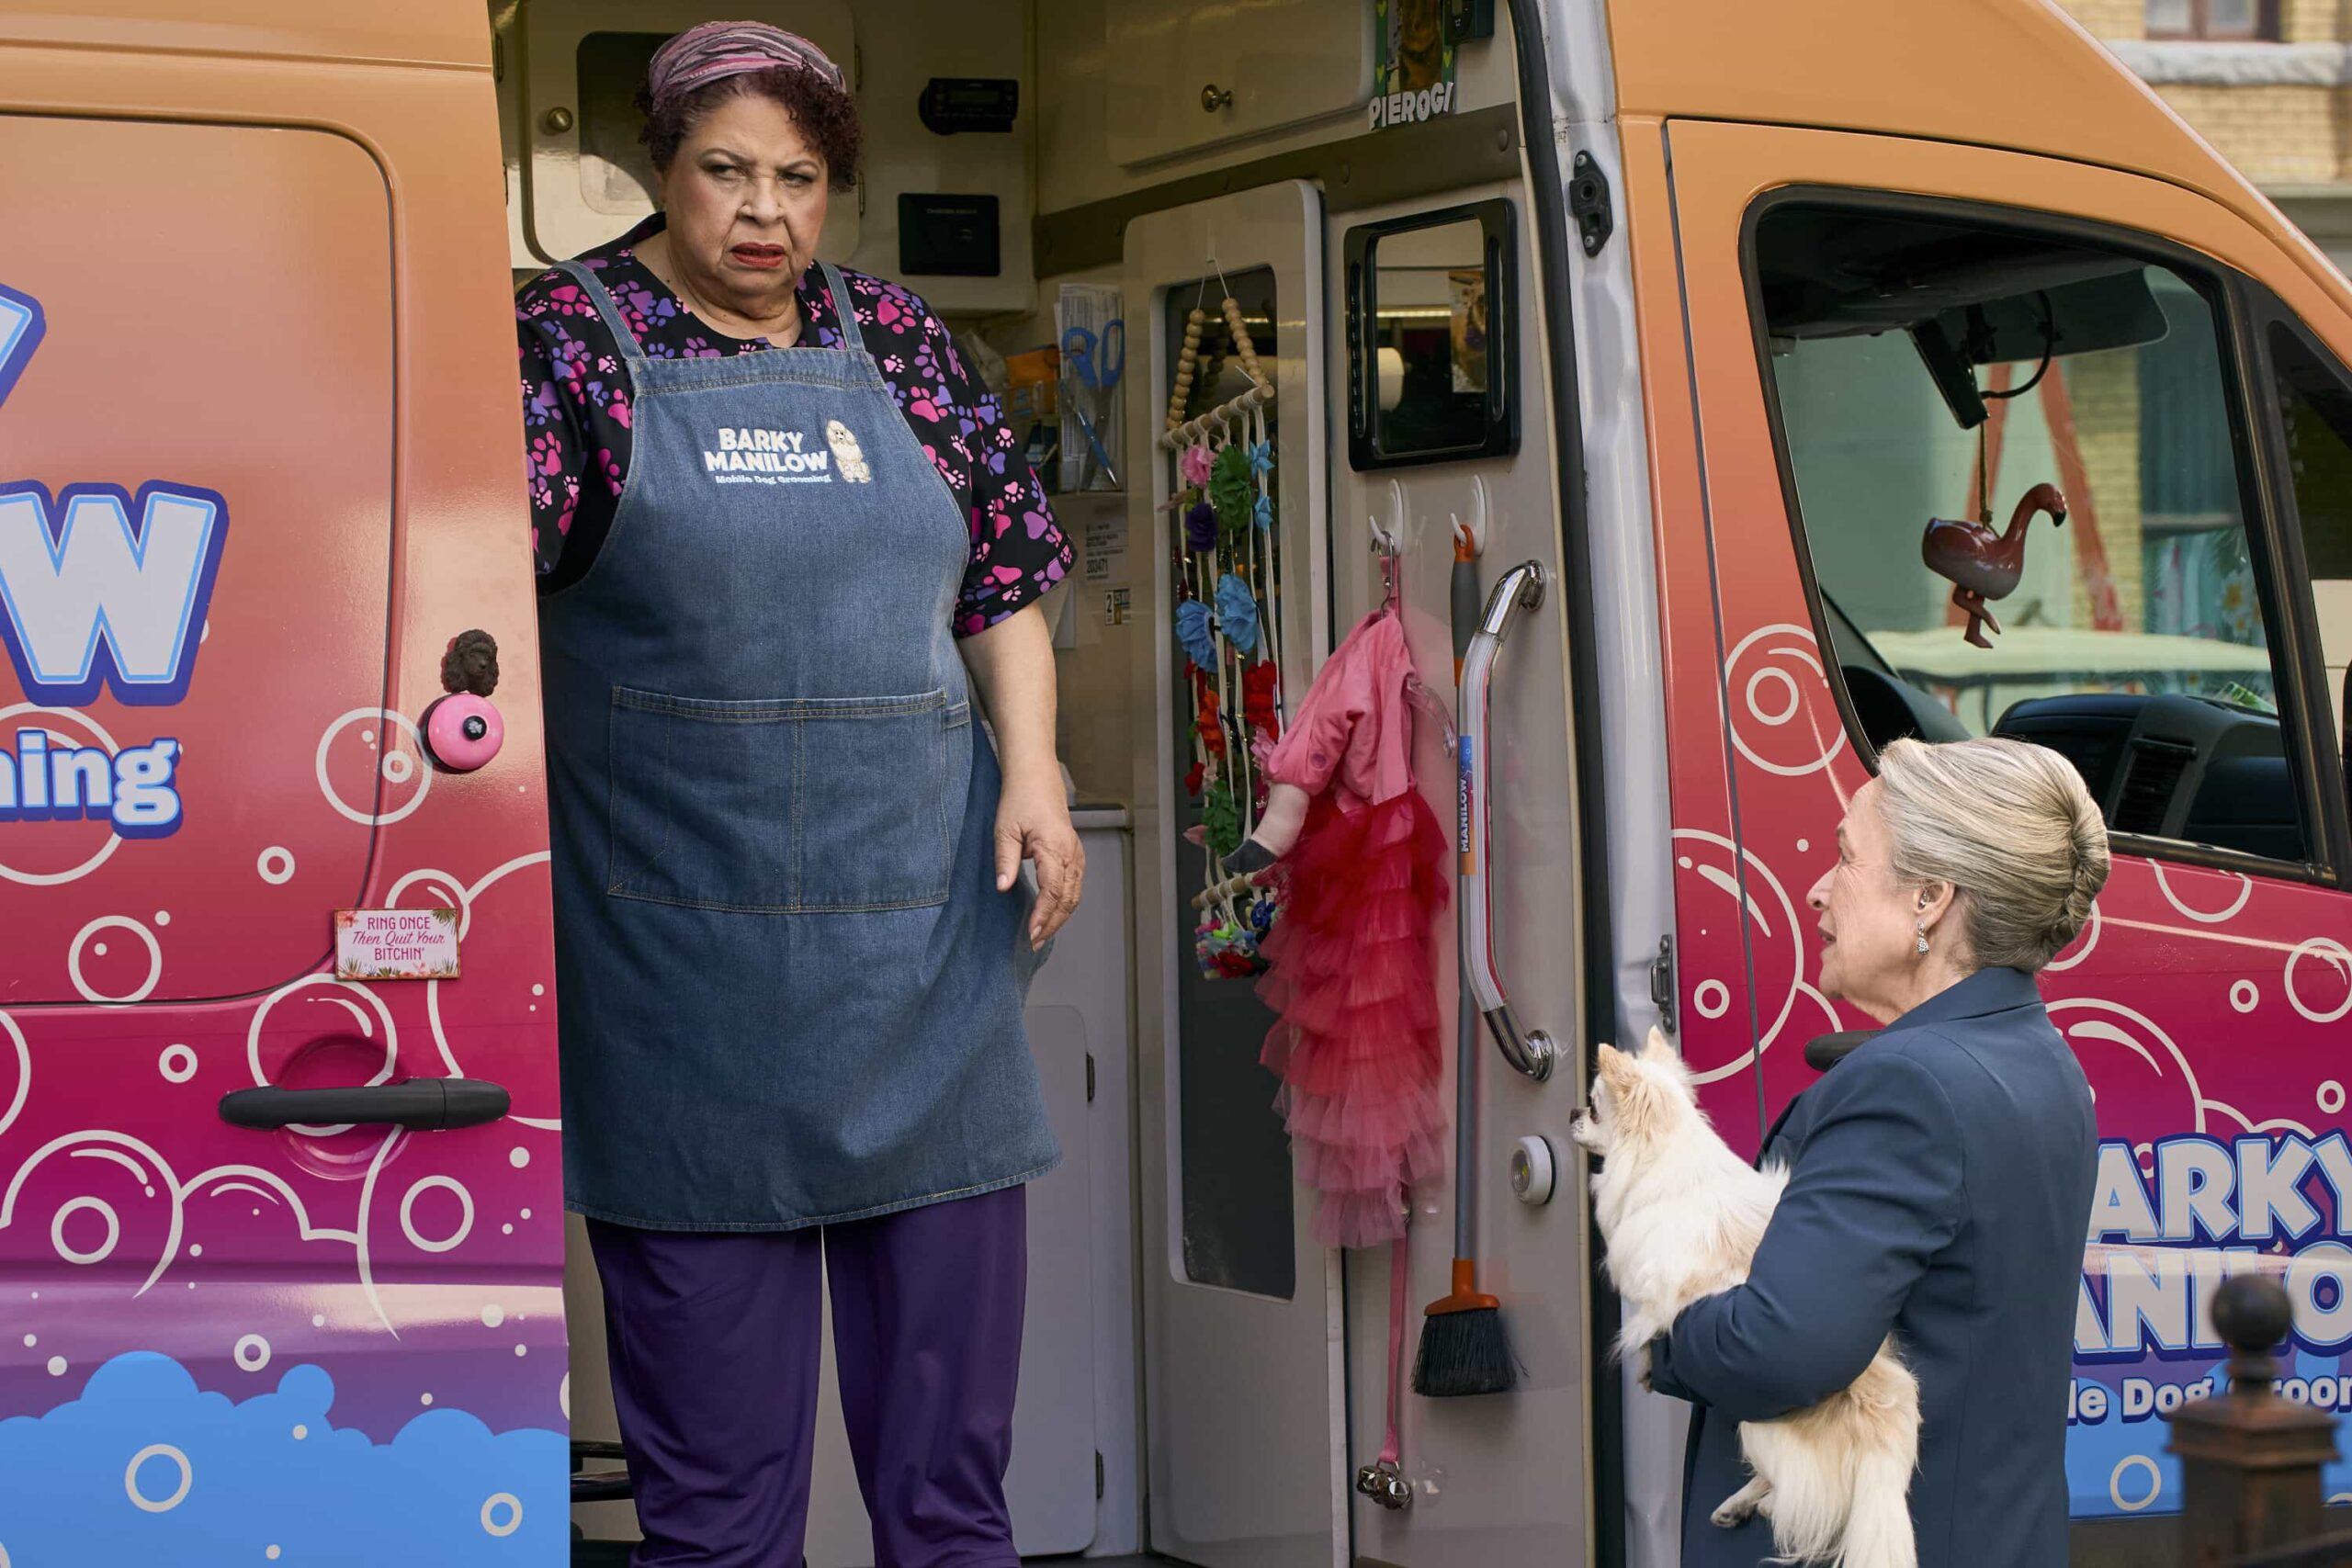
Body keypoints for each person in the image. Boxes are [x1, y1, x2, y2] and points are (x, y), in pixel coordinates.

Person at [514, 22, 1080, 1566]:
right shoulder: (561, 347)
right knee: (718, 1519)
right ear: (660, 170)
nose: (761, 212)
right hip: (685, 992)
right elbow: (468, 611)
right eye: (726, 173)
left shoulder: (899, 342)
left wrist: (1031, 767)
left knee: (951, 1500)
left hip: (926, 969)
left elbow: (1007, 580)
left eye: (799, 180)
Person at [1647, 736, 2109, 1568]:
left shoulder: (1908, 1083)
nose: (1818, 892)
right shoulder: (2043, 1058)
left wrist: (1669, 1324)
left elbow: (1781, 1348)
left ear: (1931, 897)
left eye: (1845, 857)